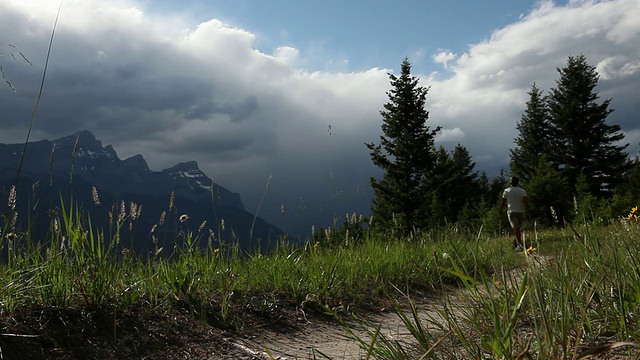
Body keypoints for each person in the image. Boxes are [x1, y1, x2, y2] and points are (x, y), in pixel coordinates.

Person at [500, 176, 530, 251]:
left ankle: (519, 244)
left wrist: (500, 209)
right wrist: (527, 211)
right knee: (517, 227)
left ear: (510, 182)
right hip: (520, 211)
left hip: (511, 211)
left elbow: (503, 201)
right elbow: (526, 202)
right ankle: (518, 242)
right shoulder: (522, 191)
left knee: (516, 227)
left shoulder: (507, 191)